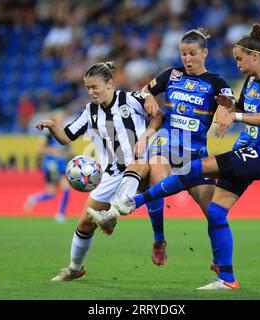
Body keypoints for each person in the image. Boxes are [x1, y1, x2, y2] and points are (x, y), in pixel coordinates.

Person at [96, 24, 260, 290]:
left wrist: (231, 114)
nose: (236, 64)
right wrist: (230, 109)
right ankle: (227, 279)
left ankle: (131, 203)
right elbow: (239, 107)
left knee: (194, 169)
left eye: (239, 58)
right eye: (183, 54)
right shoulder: (249, 82)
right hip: (245, 149)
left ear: (254, 56)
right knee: (215, 212)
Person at [87, 28, 235, 268]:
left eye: (192, 53)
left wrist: (226, 112)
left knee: (214, 213)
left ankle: (220, 261)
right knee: (157, 171)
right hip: (165, 145)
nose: (187, 59)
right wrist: (149, 97)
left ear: (205, 53)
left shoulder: (216, 82)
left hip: (194, 152)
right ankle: (159, 239)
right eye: (183, 53)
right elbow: (146, 91)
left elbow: (230, 102)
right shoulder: (171, 75)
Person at [35, 61, 164, 281]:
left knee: (139, 163)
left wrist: (146, 135)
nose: (91, 92)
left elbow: (158, 114)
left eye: (95, 87)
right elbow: (66, 137)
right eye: (87, 88)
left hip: (139, 168)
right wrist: (51, 125)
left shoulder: (130, 99)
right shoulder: (89, 111)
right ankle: (75, 268)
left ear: (110, 84)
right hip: (110, 175)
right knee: (84, 224)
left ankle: (113, 214)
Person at [24, 110, 73, 223]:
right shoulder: (48, 134)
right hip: (51, 164)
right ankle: (35, 199)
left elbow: (70, 151)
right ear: (54, 120)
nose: (62, 119)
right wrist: (52, 151)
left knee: (65, 189)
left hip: (62, 164)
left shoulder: (66, 133)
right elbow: (40, 148)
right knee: (52, 193)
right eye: (60, 118)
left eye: (62, 118)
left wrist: (70, 153)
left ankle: (61, 213)